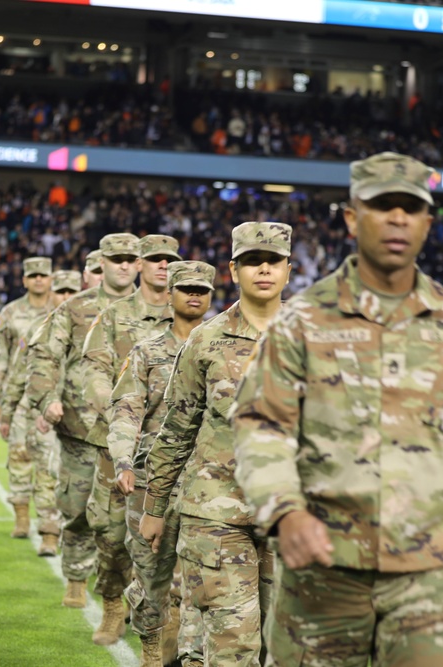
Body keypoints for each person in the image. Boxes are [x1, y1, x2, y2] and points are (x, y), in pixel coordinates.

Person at [232, 152, 443, 667]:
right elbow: (262, 427)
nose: (397, 218)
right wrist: (285, 510)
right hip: (324, 576)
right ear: (351, 216)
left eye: (411, 208)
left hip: (429, 577)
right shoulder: (302, 321)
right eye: (381, 205)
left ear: (427, 223)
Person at [142, 221, 293, 666]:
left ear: (288, 269)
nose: (263, 270)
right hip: (216, 512)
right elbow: (177, 427)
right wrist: (154, 508)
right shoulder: (205, 340)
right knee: (232, 648)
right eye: (251, 261)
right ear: (233, 269)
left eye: (273, 262)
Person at [26, 233, 138, 611]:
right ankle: (75, 577)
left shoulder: (157, 309)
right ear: (100, 263)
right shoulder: (75, 308)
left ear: (139, 264)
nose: (123, 264)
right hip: (80, 428)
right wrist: (46, 398)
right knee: (76, 511)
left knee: (125, 523)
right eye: (116, 258)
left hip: (137, 435)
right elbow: (43, 353)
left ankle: (121, 594)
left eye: (129, 258)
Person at [109, 261, 214, 667]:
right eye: (186, 287)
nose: (194, 295)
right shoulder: (148, 351)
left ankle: (184, 656)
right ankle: (151, 638)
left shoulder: (221, 346)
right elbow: (126, 410)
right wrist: (123, 460)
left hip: (207, 480)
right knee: (152, 573)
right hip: (152, 476)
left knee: (201, 577)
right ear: (169, 295)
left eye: (202, 289)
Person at [81, 234, 181, 645]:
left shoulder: (195, 317)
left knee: (163, 539)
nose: (161, 266)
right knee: (107, 533)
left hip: (169, 447)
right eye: (154, 259)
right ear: (140, 265)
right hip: (117, 441)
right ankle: (111, 604)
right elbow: (94, 368)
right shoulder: (114, 315)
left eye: (168, 260)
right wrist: (121, 409)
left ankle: (163, 626)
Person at [0, 257, 58, 548]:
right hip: (20, 397)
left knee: (50, 463)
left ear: (51, 278)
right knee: (18, 456)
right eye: (33, 275)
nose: (39, 279)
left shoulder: (62, 310)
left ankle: (49, 526)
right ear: (25, 280)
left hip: (52, 398)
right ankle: (22, 518)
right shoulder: (9, 314)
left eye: (44, 275)